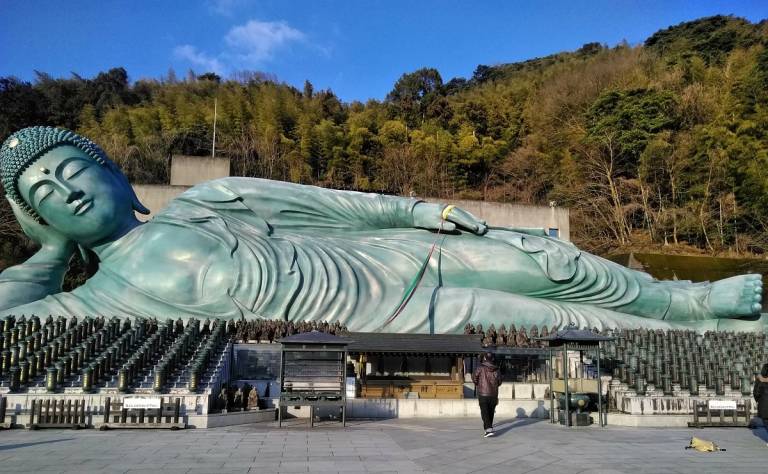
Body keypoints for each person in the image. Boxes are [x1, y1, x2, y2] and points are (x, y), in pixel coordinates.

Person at [0, 126, 766, 333]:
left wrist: (417, 211)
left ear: (111, 170)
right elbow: (9, 319)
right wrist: (51, 253)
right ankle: (711, 332)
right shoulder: (107, 296)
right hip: (391, 319)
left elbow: (332, 204)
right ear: (37, 216)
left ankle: (691, 303)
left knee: (551, 263)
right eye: (44, 195)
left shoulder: (213, 199)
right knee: (562, 318)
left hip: (388, 257)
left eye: (71, 169)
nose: (65, 190)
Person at [473, 352, 502, 437]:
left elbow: (474, 378)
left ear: (485, 358)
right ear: (492, 359)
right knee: (490, 412)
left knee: (484, 412)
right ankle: (488, 429)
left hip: (483, 393)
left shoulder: (480, 368)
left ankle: (489, 429)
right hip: (493, 394)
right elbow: (499, 382)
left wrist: (479, 384)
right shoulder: (496, 370)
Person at [754, 363, 768, 429]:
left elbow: (756, 392)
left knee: (766, 422)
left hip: (763, 406)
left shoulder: (760, 379)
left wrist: (758, 400)